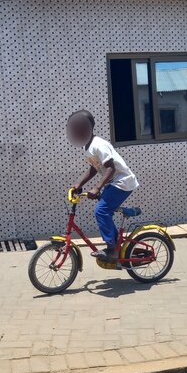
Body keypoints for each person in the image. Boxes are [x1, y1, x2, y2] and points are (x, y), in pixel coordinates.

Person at [68, 109, 139, 262]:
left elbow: (111, 168)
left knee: (101, 211)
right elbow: (94, 168)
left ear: (89, 127)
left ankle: (112, 250)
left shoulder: (98, 144)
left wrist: (97, 188)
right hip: (114, 182)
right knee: (105, 211)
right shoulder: (88, 146)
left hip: (123, 181)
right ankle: (116, 245)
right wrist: (79, 184)